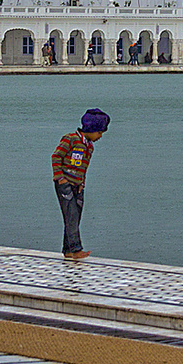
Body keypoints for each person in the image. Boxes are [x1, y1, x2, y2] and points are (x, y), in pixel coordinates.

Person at [52, 109, 109, 261]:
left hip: (78, 186)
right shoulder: (70, 139)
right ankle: (76, 249)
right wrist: (60, 178)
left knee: (75, 217)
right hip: (64, 184)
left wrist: (82, 184)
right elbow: (56, 157)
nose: (100, 136)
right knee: (71, 215)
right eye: (99, 132)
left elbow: (84, 168)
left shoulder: (89, 147)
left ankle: (68, 250)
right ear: (91, 129)